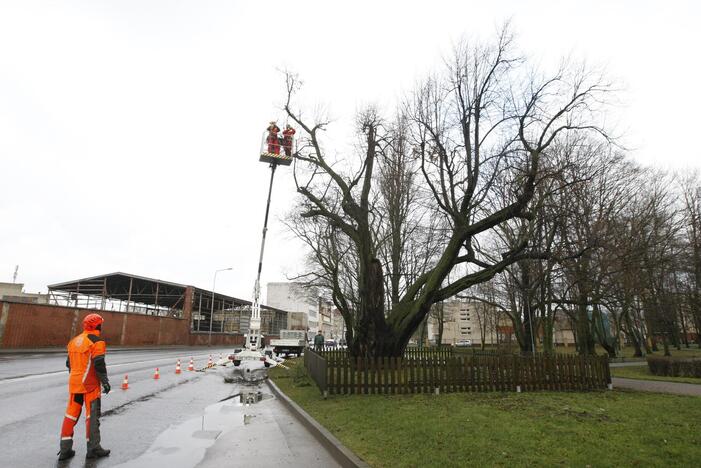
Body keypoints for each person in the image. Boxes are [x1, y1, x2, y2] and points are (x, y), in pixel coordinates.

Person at [58, 313, 111, 461]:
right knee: (92, 416)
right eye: (101, 324)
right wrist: (105, 382)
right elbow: (99, 364)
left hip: (74, 384)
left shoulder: (74, 341)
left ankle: (65, 450)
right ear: (97, 326)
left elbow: (69, 363)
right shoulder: (97, 341)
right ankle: (93, 448)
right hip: (90, 385)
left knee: (70, 415)